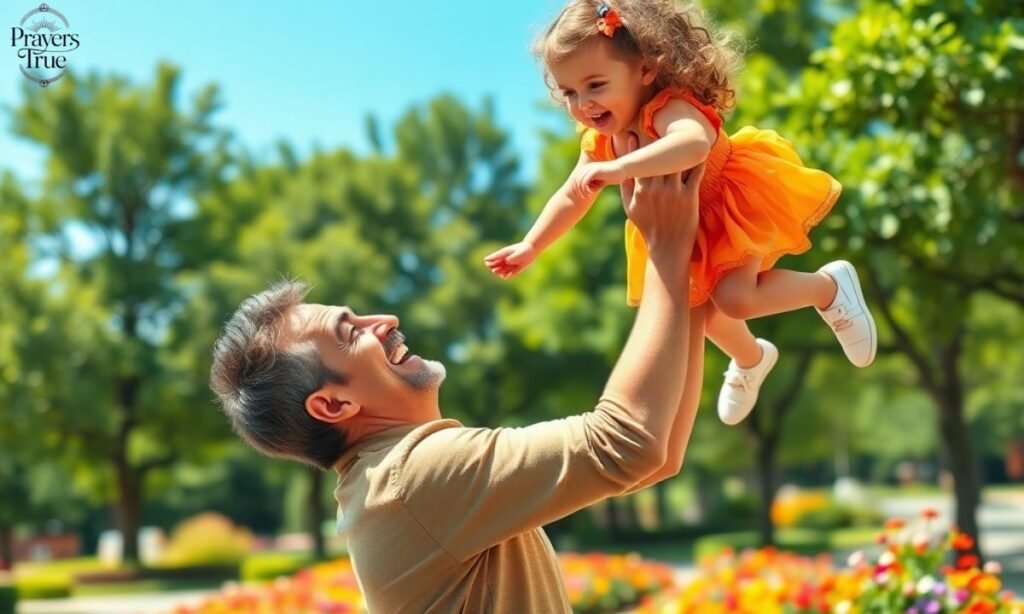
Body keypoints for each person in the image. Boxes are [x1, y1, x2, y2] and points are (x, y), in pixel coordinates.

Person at [209, 146, 708, 613]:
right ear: (333, 405)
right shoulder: (412, 477)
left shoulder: (390, 480)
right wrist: (665, 248)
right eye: (349, 331)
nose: (381, 320)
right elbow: (627, 443)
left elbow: (654, 457)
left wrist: (692, 283)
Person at [485, 0, 877, 427]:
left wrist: (620, 168)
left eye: (595, 85)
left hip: (725, 206)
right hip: (680, 232)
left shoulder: (668, 107)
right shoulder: (601, 140)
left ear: (645, 70)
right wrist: (532, 243)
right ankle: (752, 359)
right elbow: (571, 195)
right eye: (570, 93)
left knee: (734, 300)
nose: (582, 104)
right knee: (709, 319)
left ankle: (828, 288)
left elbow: (692, 143)